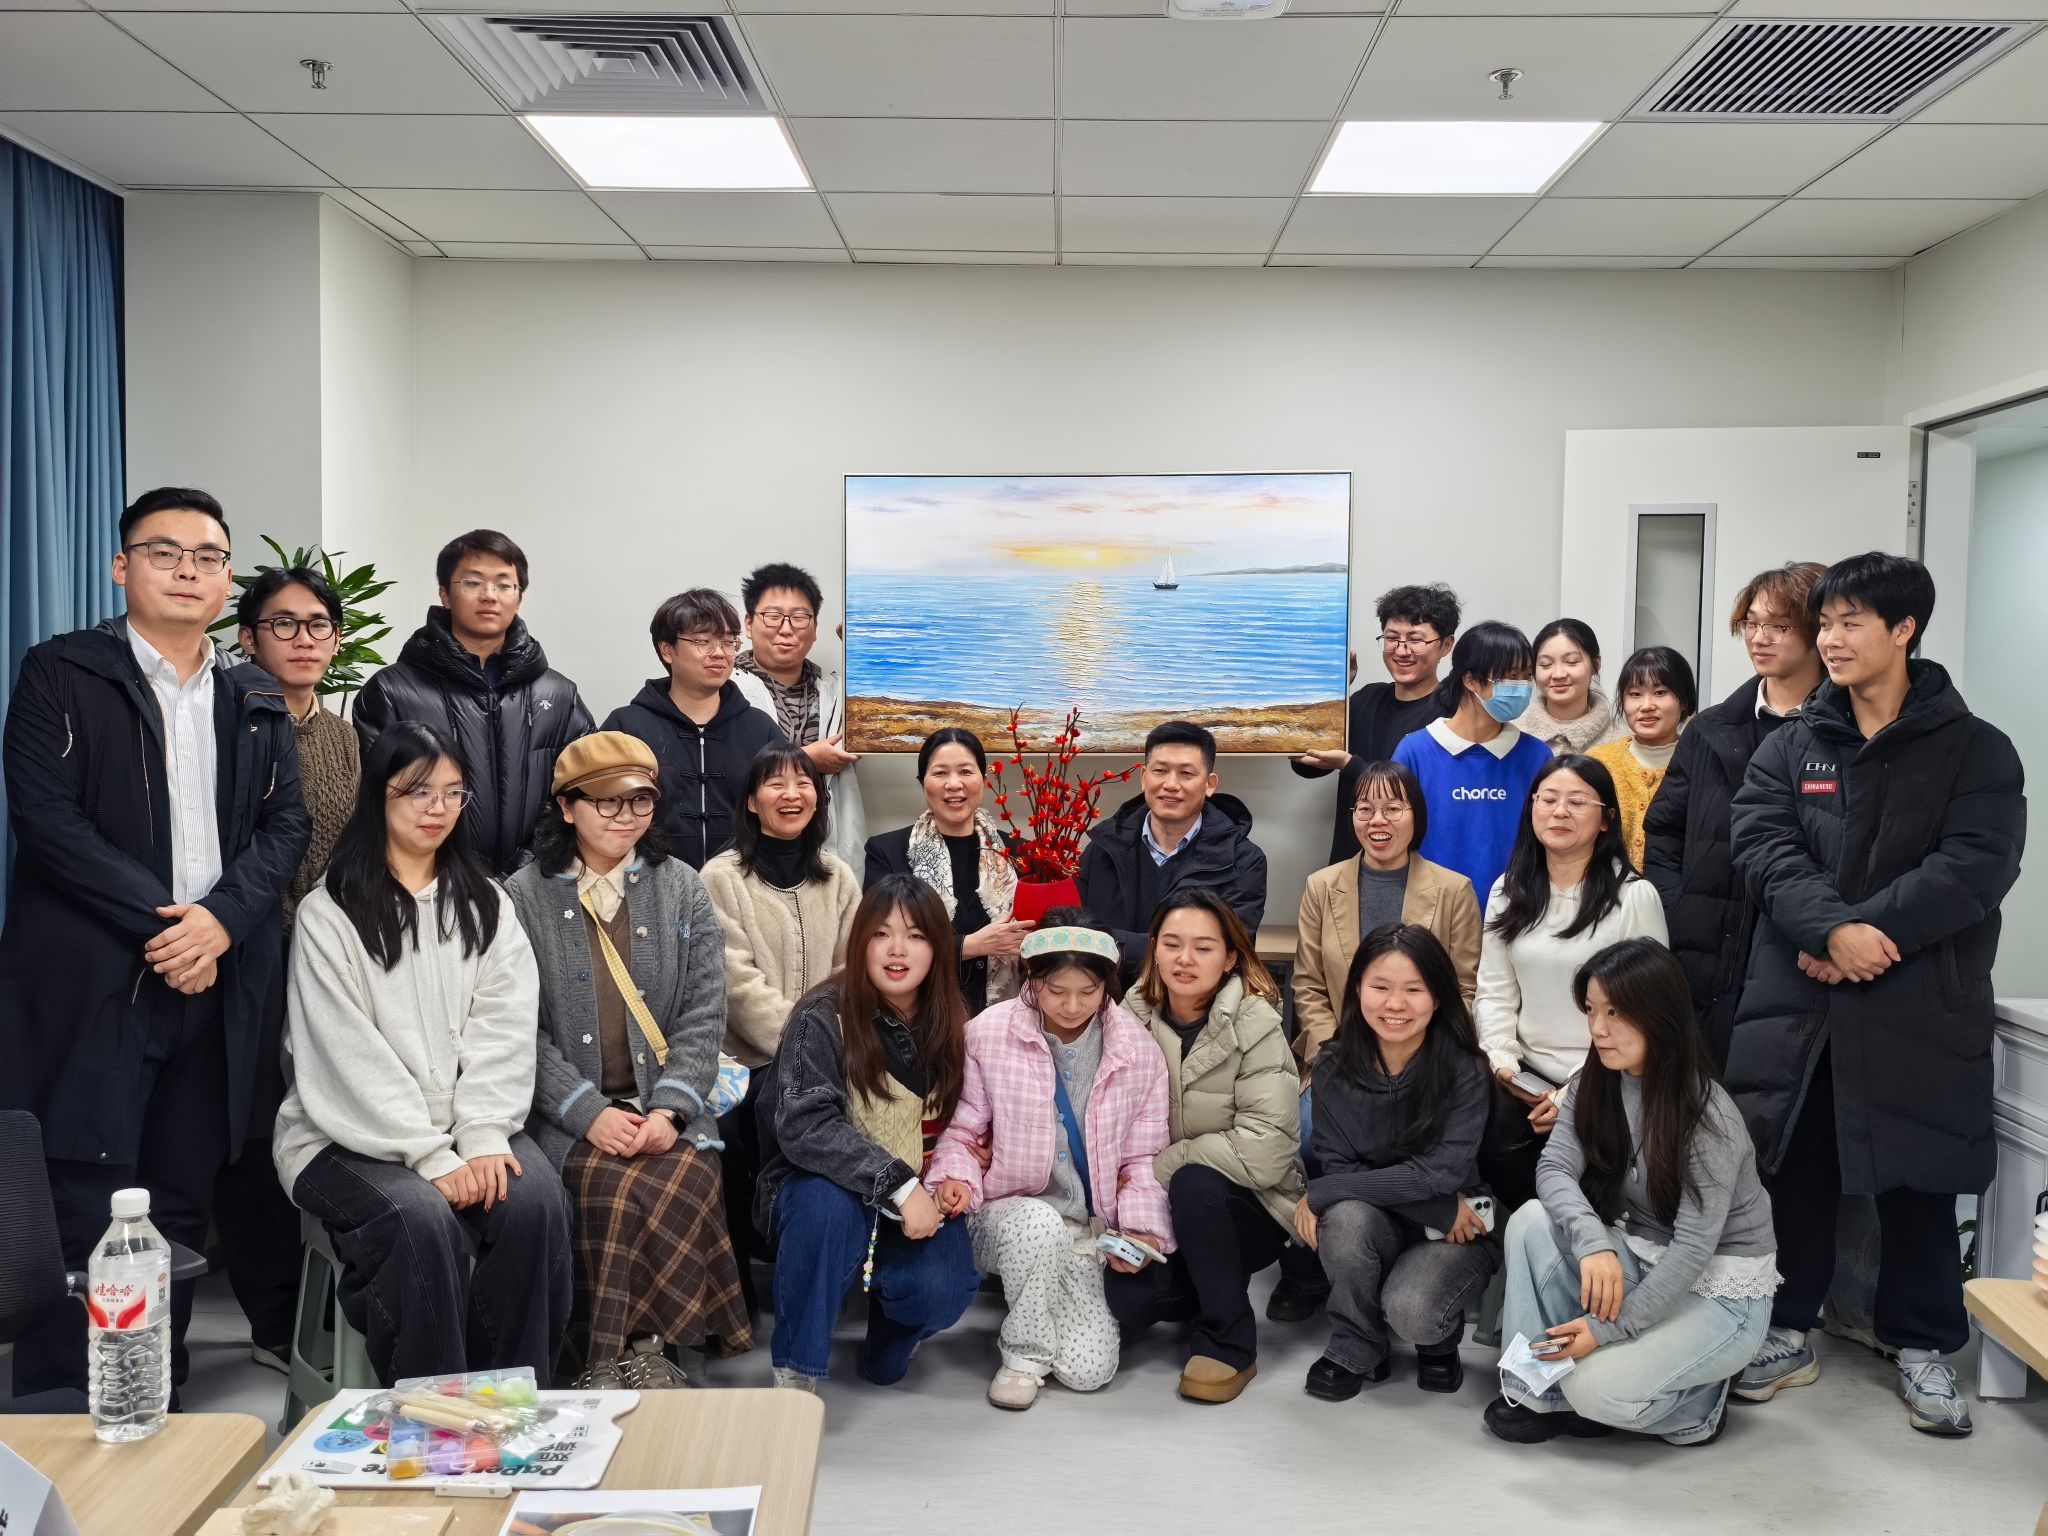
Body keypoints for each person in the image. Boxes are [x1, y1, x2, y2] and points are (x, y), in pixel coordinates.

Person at [1, 487, 309, 1400]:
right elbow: (46, 822)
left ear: (226, 579)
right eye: (163, 551)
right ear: (120, 566)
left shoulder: (253, 692)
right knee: (82, 1198)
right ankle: (66, 1414)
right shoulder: (61, 672)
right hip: (95, 986)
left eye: (207, 557)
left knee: (176, 1198)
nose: (186, 570)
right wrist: (171, 926)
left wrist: (221, 922)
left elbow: (286, 826)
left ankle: (153, 1402)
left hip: (215, 983)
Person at [1727, 553, 2025, 1437]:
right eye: (1824, 623)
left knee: (1919, 1180)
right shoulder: (1792, 745)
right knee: (1798, 1170)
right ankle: (1788, 1329)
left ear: (1904, 629)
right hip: (1803, 1003)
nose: (1830, 639)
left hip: (1918, 1001)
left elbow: (1976, 865)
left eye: (1850, 622)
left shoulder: (1977, 749)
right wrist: (1831, 933)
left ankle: (1923, 1343)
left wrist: (1862, 937)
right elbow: (1763, 847)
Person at [274, 723, 572, 1383]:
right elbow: (345, 1057)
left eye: (453, 793)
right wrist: (429, 1154)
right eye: (417, 791)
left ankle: (512, 1402)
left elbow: (504, 1028)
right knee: (420, 1219)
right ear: (379, 795)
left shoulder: (486, 902)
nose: (437, 809)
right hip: (340, 1133)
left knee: (534, 1204)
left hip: (468, 1124)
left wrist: (484, 1132)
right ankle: (433, 1409)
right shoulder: (331, 910)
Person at [507, 732, 750, 1389]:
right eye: (607, 803)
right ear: (566, 807)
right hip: (568, 1115)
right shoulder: (523, 896)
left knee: (687, 1176)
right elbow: (514, 1029)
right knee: (610, 1190)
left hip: (663, 1104)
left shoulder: (683, 888)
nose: (626, 817)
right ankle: (600, 1355)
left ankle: (650, 1350)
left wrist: (670, 1112)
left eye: (640, 801)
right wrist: (587, 1112)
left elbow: (704, 1014)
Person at [1485, 939, 1777, 1448]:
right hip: (1643, 1257)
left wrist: (1604, 1332)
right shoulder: (1596, 1082)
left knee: (1594, 1391)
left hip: (1720, 1293)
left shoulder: (1708, 1117)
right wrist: (1592, 1242)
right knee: (1532, 1221)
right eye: (1592, 1009)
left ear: (1659, 1014)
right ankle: (1538, 1393)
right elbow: (1554, 1166)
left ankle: (1700, 1408)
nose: (1597, 1028)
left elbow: (1692, 1250)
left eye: (1615, 1012)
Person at [926, 914, 1172, 1411]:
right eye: (1056, 991)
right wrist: (956, 1179)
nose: (1072, 1006)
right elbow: (964, 1130)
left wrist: (1142, 1231)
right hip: (1006, 1213)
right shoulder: (987, 1034)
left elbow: (1142, 1157)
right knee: (1037, 1225)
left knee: (1088, 1372)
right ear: (1031, 979)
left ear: (1107, 985)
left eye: (1088, 991)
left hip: (1083, 1227)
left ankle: (1040, 1306)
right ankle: (1024, 1356)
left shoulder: (1137, 1050)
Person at [214, 563, 364, 1374]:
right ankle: (274, 1320)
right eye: (283, 624)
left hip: (330, 959)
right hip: (247, 953)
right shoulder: (223, 720)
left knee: (333, 1117)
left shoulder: (344, 736)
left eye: (318, 626)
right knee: (252, 1131)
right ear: (247, 637)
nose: (303, 640)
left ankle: (341, 1306)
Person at [755, 876, 980, 1391]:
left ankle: (891, 1336)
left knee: (942, 1290)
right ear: (860, 943)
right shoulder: (821, 1015)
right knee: (823, 1208)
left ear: (938, 948)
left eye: (916, 936)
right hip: (823, 1187)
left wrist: (962, 1168)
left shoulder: (952, 1019)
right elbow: (807, 1126)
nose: (897, 950)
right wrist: (898, 1184)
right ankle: (797, 1373)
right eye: (881, 934)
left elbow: (969, 1118)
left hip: (920, 1190)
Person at [1279, 759, 1483, 1322]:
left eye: (1393, 808)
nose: (1378, 820)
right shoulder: (1322, 886)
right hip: (1340, 1059)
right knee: (1305, 1138)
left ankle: (1401, 1249)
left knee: (1411, 1141)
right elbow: (1308, 985)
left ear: (1416, 816)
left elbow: (1465, 988)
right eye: (1365, 808)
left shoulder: (1453, 890)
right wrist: (1342, 1055)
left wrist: (1414, 1051)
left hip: (1423, 1058)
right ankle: (1307, 1266)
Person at [1107, 889, 1302, 1405]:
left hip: (1247, 1207)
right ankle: (1205, 1285)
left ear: (1230, 958)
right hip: (1158, 1206)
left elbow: (1265, 1150)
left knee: (1195, 1183)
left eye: (1203, 947)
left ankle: (1228, 1339)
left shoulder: (1256, 1023)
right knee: (1129, 1301)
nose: (1185, 959)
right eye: (1171, 944)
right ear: (1153, 949)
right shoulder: (1128, 1017)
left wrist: (1160, 1165)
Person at [1296, 924, 1497, 1400]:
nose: (1395, 1004)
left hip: (1457, 1231)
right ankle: (1356, 1344)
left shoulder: (1466, 1070)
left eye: (1414, 990)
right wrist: (1439, 1208)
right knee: (1345, 1219)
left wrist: (1324, 1191)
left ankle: (1439, 1338)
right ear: (1357, 990)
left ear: (1439, 996)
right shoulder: (1332, 1065)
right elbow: (1339, 1167)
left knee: (1413, 1311)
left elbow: (1438, 1173)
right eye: (1380, 987)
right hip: (1438, 1215)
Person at [1643, 562, 1827, 1068]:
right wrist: (1677, 909)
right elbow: (1664, 831)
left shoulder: (1843, 732)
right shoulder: (1710, 729)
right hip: (1703, 951)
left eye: (1779, 625)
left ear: (1818, 630)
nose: (1759, 638)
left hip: (1798, 953)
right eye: (1751, 623)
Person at [701, 742, 861, 1311]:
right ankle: (741, 1291)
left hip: (831, 1053)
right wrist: (802, 1048)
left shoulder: (838, 876)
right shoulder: (720, 878)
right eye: (775, 783)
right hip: (744, 1061)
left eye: (803, 783)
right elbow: (735, 981)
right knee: (735, 1139)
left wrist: (823, 1048)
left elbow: (851, 970)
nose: (791, 795)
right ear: (751, 801)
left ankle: (828, 1272)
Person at [1475, 754, 1669, 1212]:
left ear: (1606, 820)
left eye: (1578, 802)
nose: (1559, 812)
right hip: (1522, 1078)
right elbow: (1495, 990)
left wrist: (1574, 1094)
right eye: (1548, 799)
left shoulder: (1633, 896)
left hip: (1608, 1079)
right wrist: (1501, 1059)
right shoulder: (1508, 890)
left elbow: (1648, 1012)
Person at [352, 529, 594, 877]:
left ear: (519, 598)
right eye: (472, 583)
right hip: (430, 884)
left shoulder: (559, 694)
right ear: (445, 594)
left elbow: (581, 790)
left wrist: (530, 866)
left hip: (538, 881)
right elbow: (376, 799)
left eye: (504, 584)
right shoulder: (391, 691)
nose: (489, 595)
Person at [1077, 720, 1269, 988]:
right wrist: (1170, 949)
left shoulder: (1244, 861)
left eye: (1186, 773)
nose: (1171, 784)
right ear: (1144, 777)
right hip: (1105, 999)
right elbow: (1076, 933)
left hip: (1193, 1006)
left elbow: (1225, 951)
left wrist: (1112, 943)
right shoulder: (1102, 847)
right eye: (1160, 771)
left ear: (1209, 784)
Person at [605, 588, 784, 870]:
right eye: (703, 641)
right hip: (649, 882)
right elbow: (603, 817)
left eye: (728, 642)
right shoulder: (626, 728)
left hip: (743, 883)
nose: (719, 653)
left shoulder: (760, 728)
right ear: (667, 649)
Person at [864, 727, 1033, 1014]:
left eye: (966, 772)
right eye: (940, 773)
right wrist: (971, 946)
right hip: (917, 1016)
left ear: (984, 779)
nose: (953, 784)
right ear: (923, 782)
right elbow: (879, 944)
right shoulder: (887, 852)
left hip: (1006, 1019)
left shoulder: (1019, 852)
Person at [1293, 584, 1460, 863]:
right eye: (1391, 638)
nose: (1402, 651)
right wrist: (1333, 690)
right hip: (1351, 863)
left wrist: (1350, 765)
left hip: (1416, 868)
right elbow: (1307, 766)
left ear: (1446, 645)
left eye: (1415, 640)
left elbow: (1422, 796)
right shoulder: (1366, 698)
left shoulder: (1454, 713)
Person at [1392, 620, 1551, 905]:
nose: (1521, 687)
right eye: (1510, 676)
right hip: (1431, 912)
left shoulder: (1537, 756)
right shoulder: (1415, 752)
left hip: (1516, 911)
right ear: (1470, 680)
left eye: (1526, 676)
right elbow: (1393, 840)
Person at [734, 561, 866, 870]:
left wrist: (861, 648)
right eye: (773, 616)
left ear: (815, 628)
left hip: (822, 852)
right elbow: (719, 770)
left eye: (799, 617)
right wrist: (806, 760)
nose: (786, 628)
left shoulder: (834, 692)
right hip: (749, 853)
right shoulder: (725, 691)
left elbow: (888, 711)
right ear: (749, 624)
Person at [1590, 645, 1697, 870]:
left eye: (1660, 692)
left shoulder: (1700, 764)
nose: (1646, 706)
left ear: (1684, 701)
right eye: (1635, 694)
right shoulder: (1598, 763)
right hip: (1607, 888)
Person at [1522, 618, 1627, 755]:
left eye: (1572, 662)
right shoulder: (1513, 734)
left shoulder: (1623, 742)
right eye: (1546, 664)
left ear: (1596, 665)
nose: (1558, 674)